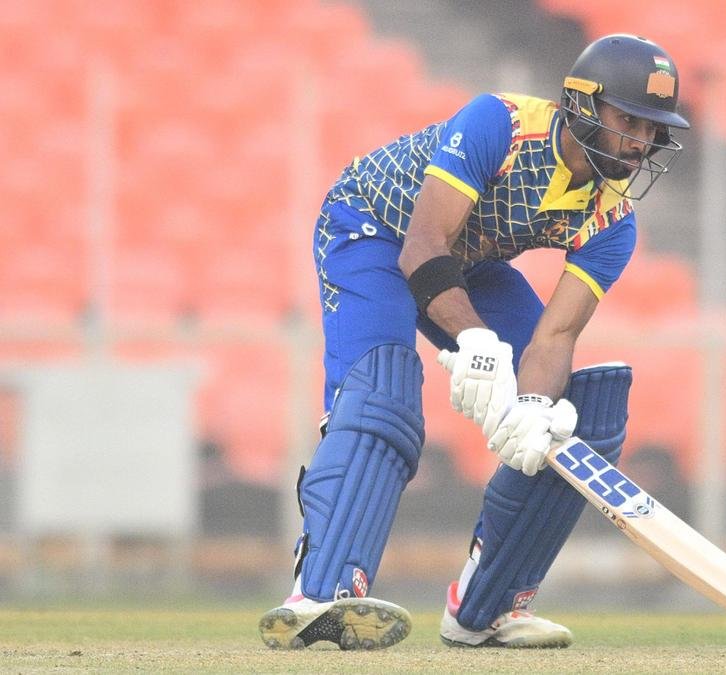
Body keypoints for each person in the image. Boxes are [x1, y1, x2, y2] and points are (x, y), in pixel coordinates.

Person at [257, 34, 690, 651]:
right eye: (629, 121)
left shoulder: (613, 219)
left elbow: (556, 335)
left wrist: (532, 409)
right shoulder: (501, 125)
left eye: (652, 130)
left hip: (470, 262)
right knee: (383, 393)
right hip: (374, 229)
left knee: (572, 415)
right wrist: (478, 342)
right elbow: (423, 246)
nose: (640, 143)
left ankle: (485, 608)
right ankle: (321, 593)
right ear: (581, 105)